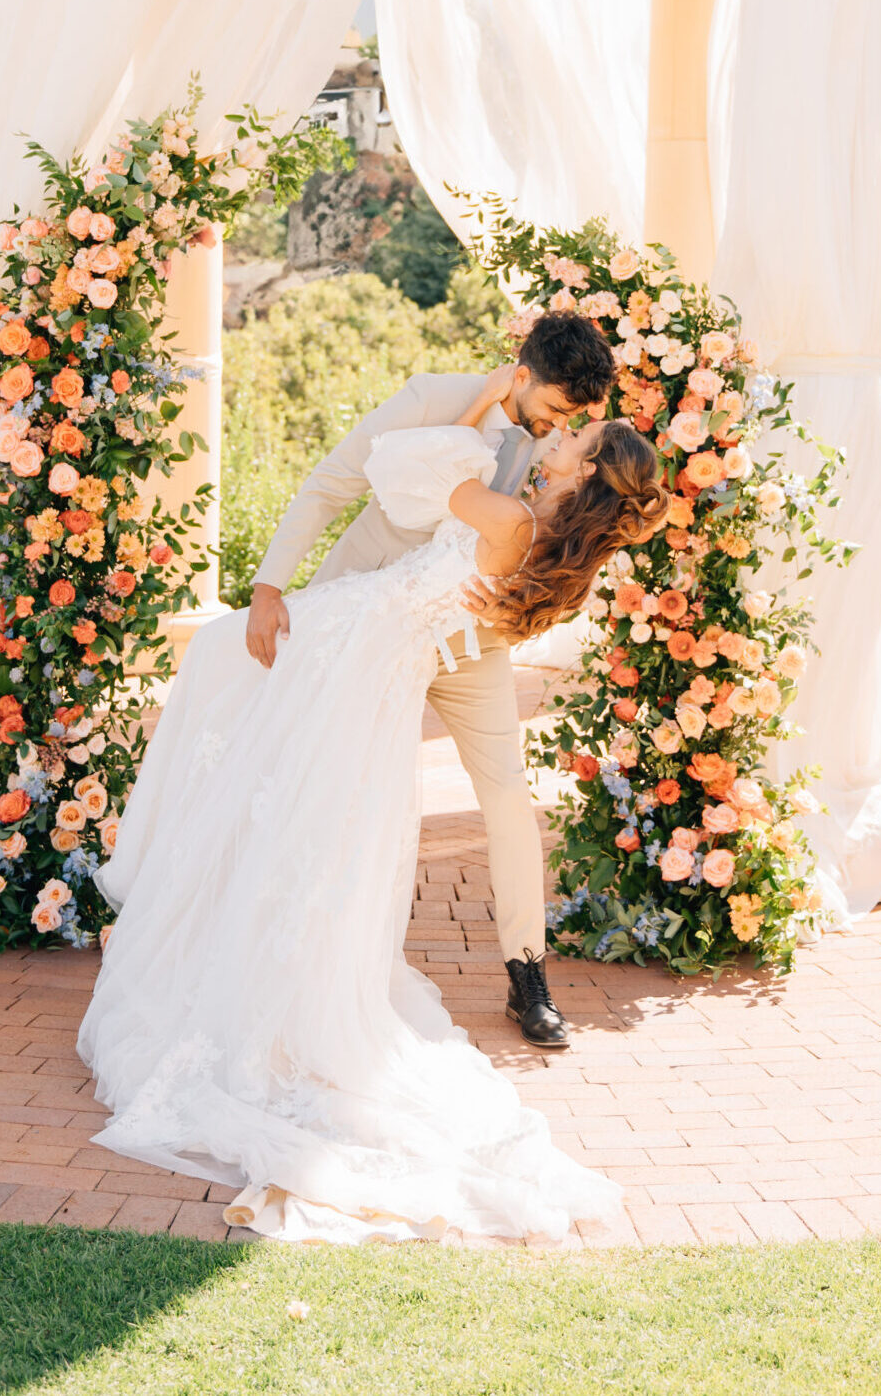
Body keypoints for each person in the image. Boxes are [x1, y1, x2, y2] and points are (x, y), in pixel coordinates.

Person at [76, 363, 669, 1243]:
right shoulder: (540, 535)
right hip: (370, 642)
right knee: (290, 790)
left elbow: (399, 468)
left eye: (576, 438)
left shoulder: (509, 514)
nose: (562, 436)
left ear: (583, 472)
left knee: (261, 755)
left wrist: (473, 414)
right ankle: (237, 937)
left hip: (356, 650)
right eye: (567, 420)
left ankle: (256, 959)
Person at [246, 312, 616, 1049]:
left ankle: (527, 973)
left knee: (509, 794)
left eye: (569, 422)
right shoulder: (428, 400)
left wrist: (514, 615)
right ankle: (289, 950)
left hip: (469, 639)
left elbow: (552, 557)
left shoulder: (559, 447)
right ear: (521, 374)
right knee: (321, 783)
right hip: (369, 620)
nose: (554, 431)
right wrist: (268, 586)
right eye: (550, 410)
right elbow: (329, 487)